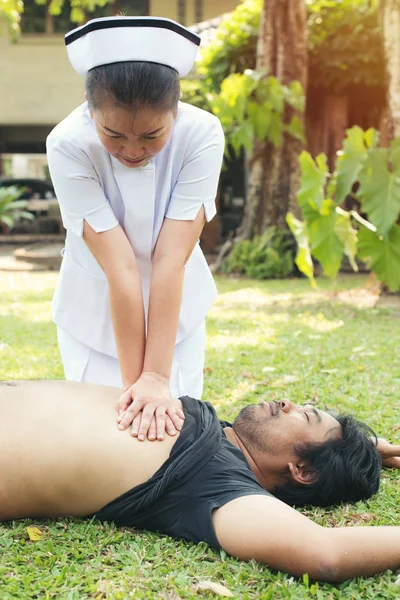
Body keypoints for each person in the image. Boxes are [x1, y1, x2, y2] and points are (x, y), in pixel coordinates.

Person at [1, 379, 400, 582]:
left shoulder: (222, 487)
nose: (287, 402)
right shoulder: (223, 435)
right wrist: (367, 446)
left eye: (305, 417)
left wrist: (341, 455)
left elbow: (325, 554)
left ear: (304, 471)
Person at [46, 16, 225, 442]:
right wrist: (137, 388)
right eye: (114, 133)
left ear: (175, 112)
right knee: (111, 438)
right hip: (94, 314)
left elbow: (170, 257)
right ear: (90, 111)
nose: (132, 150)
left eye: (151, 134)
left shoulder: (201, 135)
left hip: (175, 313)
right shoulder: (68, 144)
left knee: (176, 438)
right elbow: (121, 266)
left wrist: (158, 378)